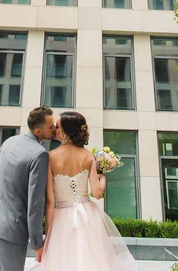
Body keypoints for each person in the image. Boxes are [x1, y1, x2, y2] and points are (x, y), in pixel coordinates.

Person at [38, 111, 136, 271]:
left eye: (57, 126)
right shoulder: (89, 155)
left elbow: (50, 201)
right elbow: (97, 193)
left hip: (61, 217)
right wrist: (102, 175)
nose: (54, 129)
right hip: (88, 216)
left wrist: (48, 235)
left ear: (65, 131)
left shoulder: (50, 157)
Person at [0, 107, 56, 271]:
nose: (54, 128)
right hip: (11, 230)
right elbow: (36, 202)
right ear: (39, 131)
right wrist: (37, 242)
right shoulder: (40, 154)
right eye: (51, 126)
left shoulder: (9, 141)